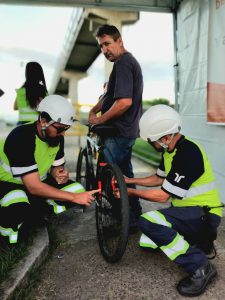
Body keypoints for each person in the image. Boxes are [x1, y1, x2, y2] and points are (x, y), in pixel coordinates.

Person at [125, 104, 223, 297]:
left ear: (165, 137)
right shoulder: (170, 151)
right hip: (193, 213)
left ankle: (201, 266)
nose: (152, 145)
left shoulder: (188, 153)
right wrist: (130, 181)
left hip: (205, 215)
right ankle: (200, 243)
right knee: (148, 241)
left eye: (152, 141)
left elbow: (163, 195)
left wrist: (132, 193)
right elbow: (159, 179)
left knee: (147, 222)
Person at [0, 95, 99, 245]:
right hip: (9, 184)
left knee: (77, 189)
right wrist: (73, 198)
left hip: (35, 183)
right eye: (60, 129)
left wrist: (59, 174)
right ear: (44, 121)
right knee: (18, 207)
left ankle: (36, 211)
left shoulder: (56, 137)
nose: (63, 134)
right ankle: (9, 227)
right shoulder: (21, 137)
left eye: (66, 129)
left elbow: (56, 168)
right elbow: (33, 187)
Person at [88, 24, 143, 231]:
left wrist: (99, 121)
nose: (104, 50)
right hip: (123, 131)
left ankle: (124, 220)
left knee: (110, 177)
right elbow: (109, 96)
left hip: (119, 131)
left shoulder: (124, 63)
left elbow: (124, 103)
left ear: (119, 41)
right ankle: (134, 215)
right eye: (101, 46)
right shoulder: (122, 64)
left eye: (107, 44)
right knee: (125, 175)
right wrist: (94, 111)